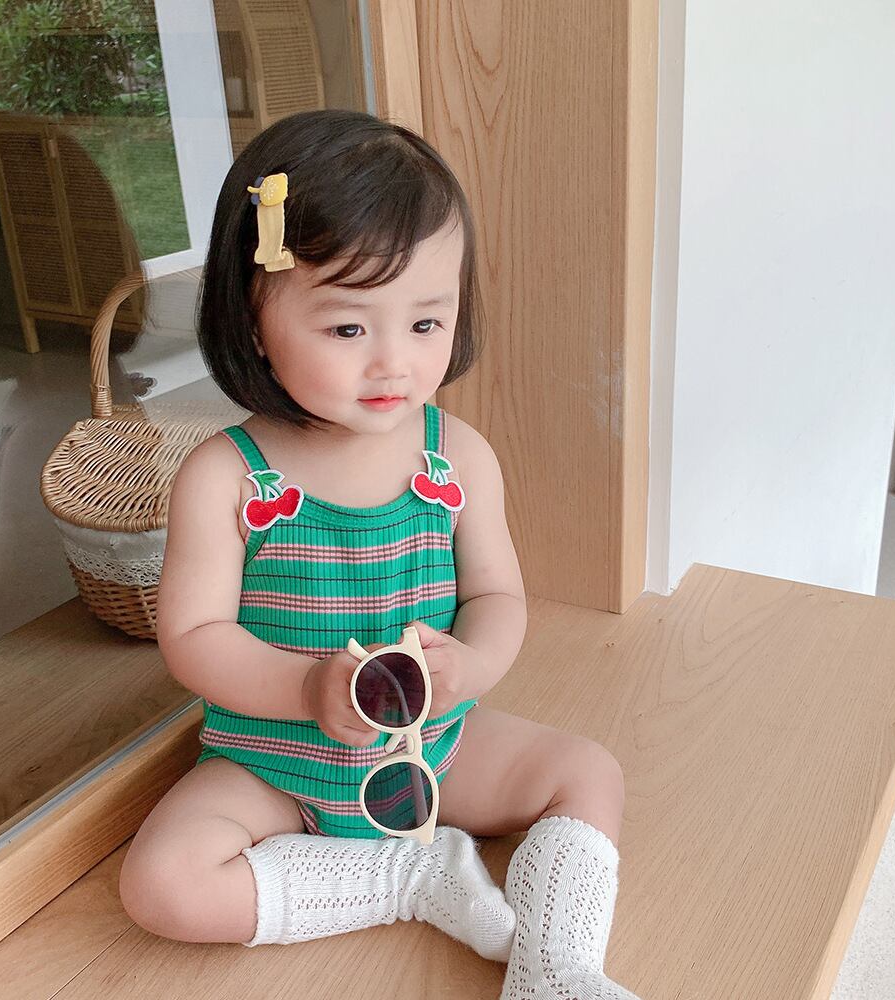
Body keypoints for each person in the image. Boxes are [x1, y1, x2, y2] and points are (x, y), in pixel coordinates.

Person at [118, 109, 637, 999]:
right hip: (273, 761)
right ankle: (408, 879)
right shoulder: (224, 476)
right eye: (349, 330)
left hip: (435, 745)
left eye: (426, 323)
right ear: (254, 322)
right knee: (161, 885)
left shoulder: (457, 456)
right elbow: (195, 637)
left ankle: (556, 967)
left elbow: (498, 597)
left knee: (590, 773)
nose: (394, 363)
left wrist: (471, 665)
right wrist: (306, 691)